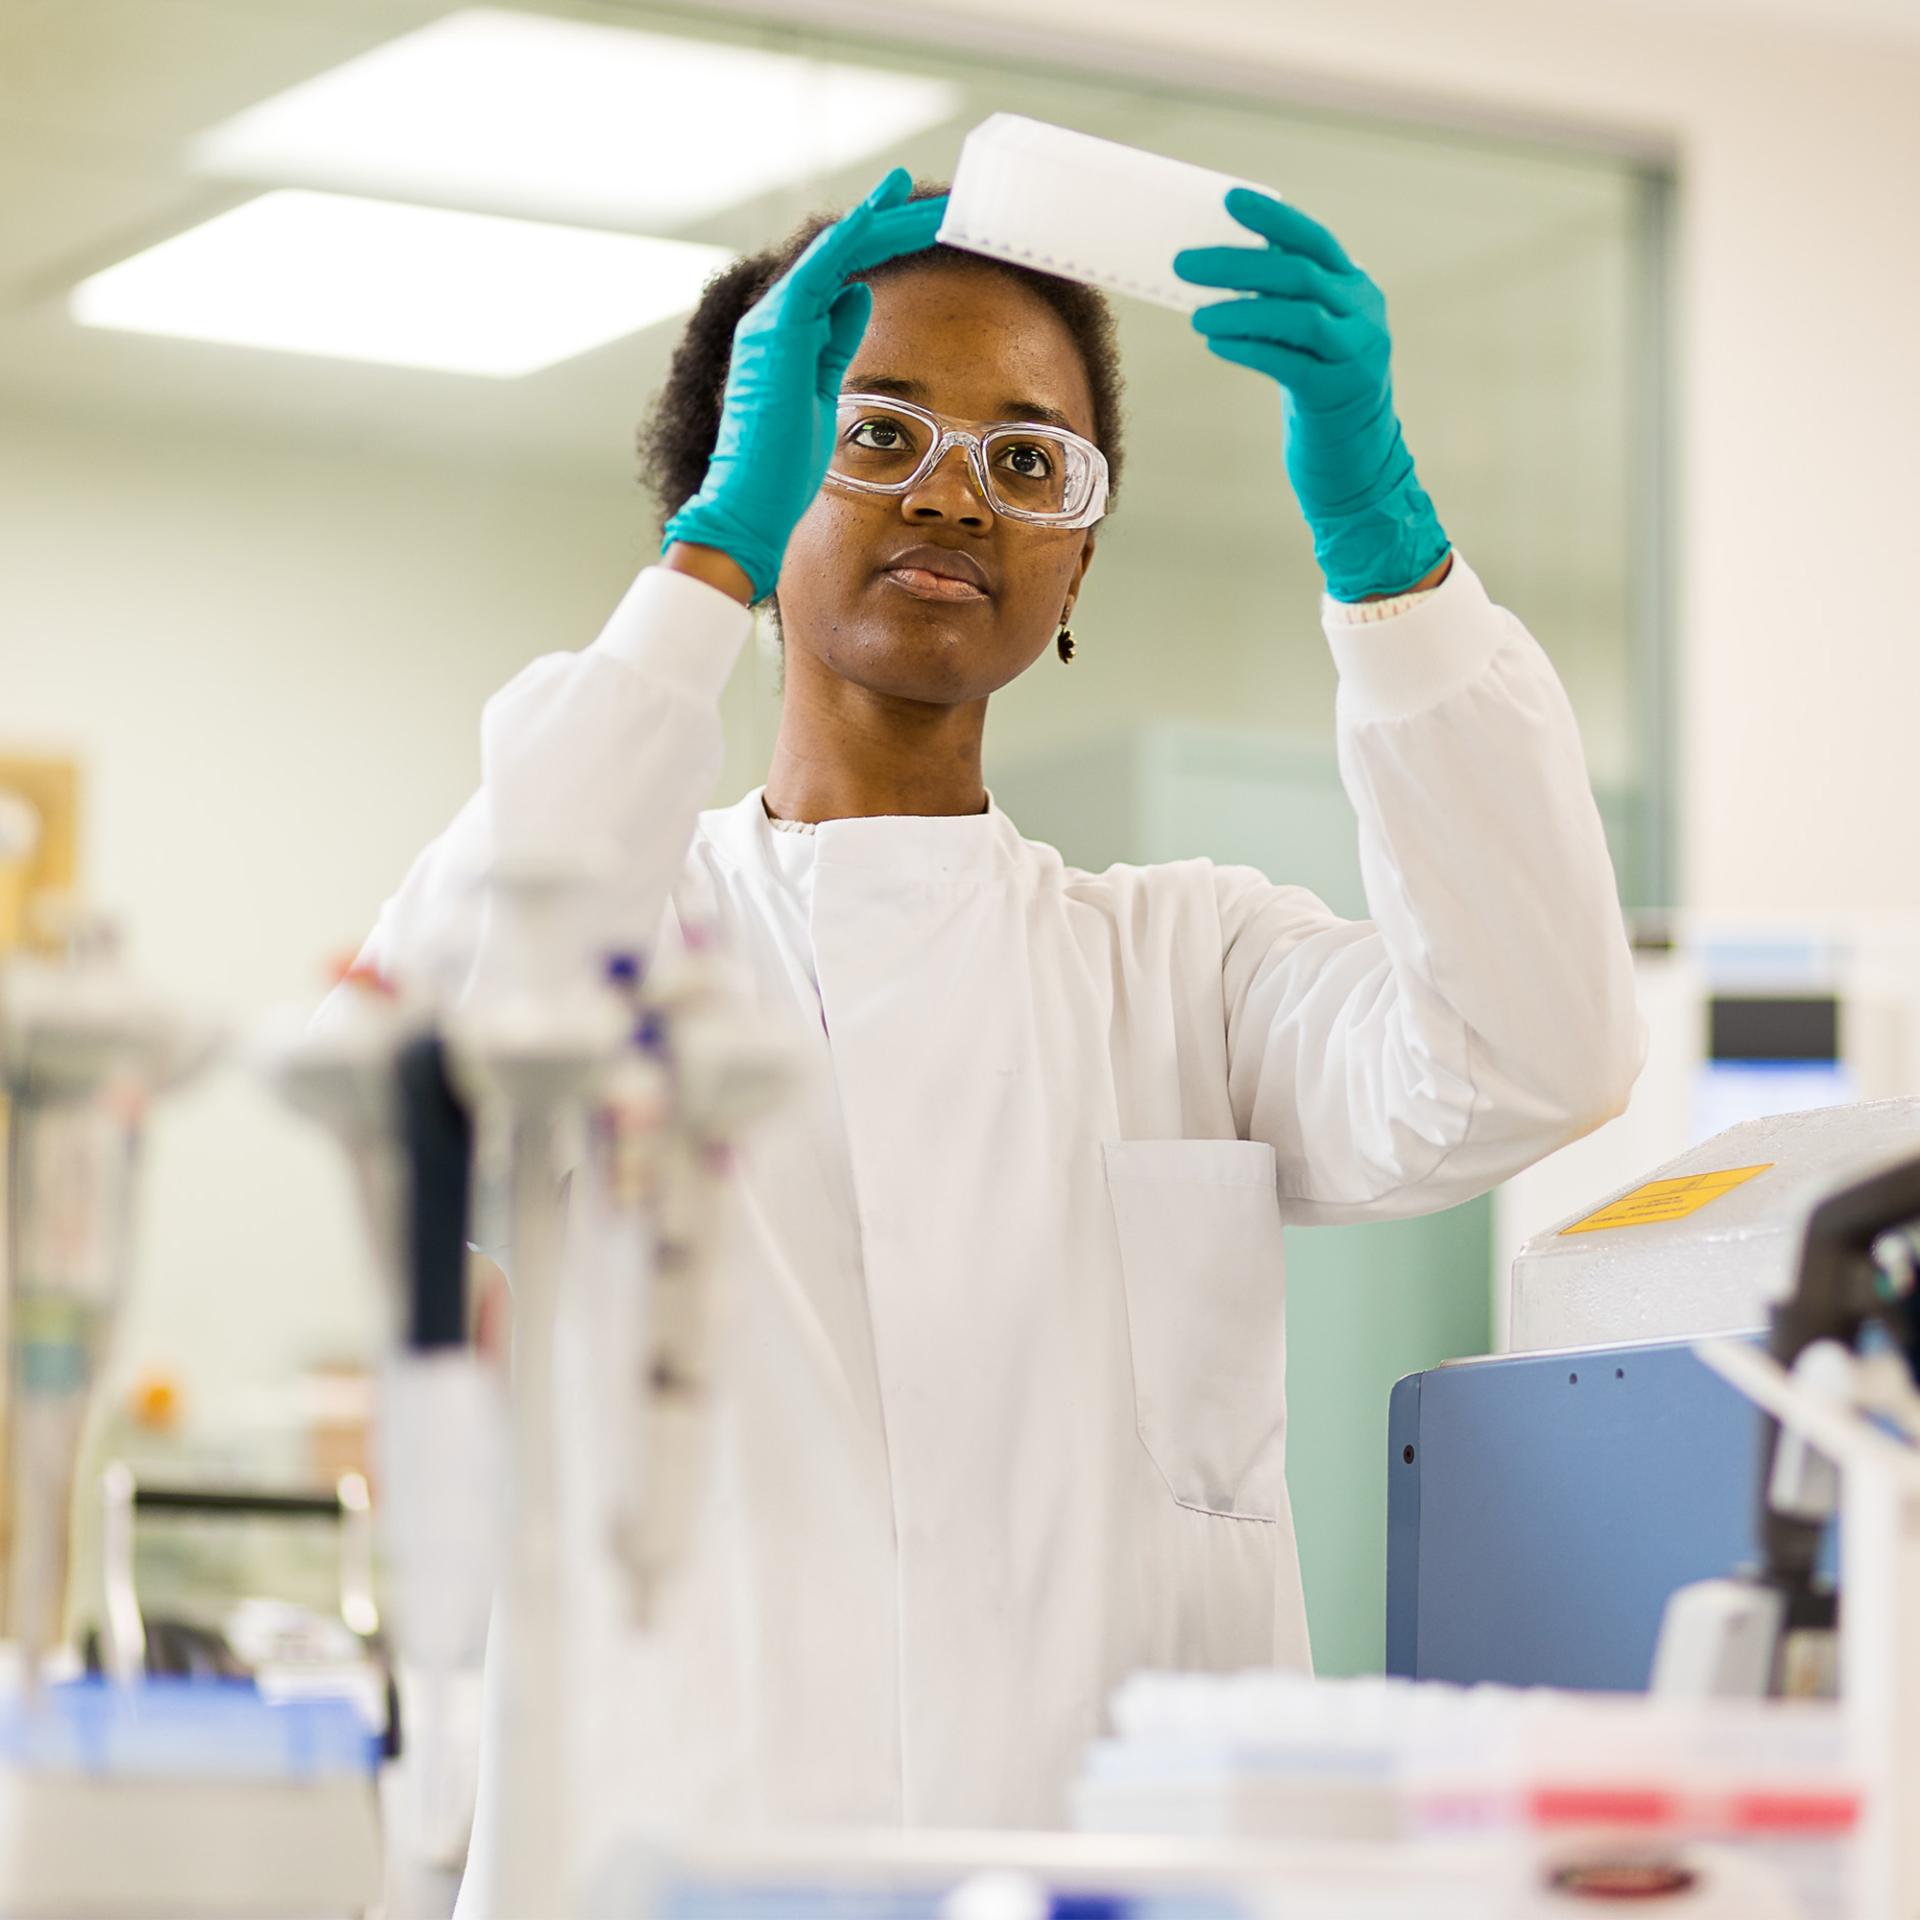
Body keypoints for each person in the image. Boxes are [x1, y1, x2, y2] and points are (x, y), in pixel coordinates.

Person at [348, 168, 1643, 1910]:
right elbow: (407, 1086)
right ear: (745, 475)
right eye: (870, 431)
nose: (955, 495)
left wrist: (1390, 564)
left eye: (1030, 461)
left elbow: (1534, 1054)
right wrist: (700, 571)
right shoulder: (610, 950)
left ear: (1079, 558)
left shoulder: (1190, 964)